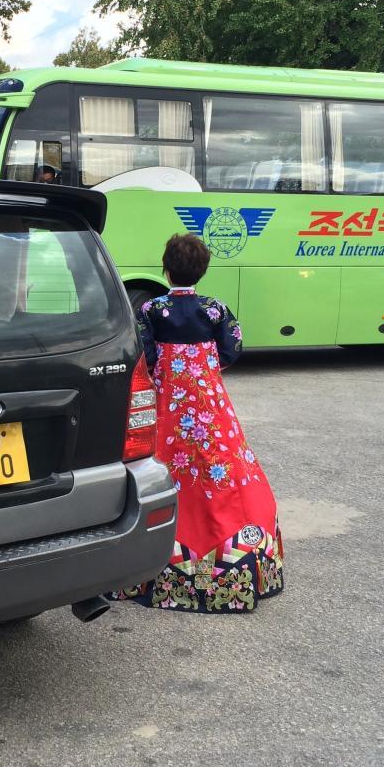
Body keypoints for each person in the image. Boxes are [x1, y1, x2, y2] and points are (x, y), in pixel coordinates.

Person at [113, 233, 284, 612]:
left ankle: (153, 558)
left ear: (166, 268)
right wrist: (205, 369)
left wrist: (168, 374)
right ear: (203, 270)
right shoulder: (215, 309)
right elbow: (233, 347)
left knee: (160, 464)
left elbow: (145, 353)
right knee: (223, 466)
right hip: (210, 404)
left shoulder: (152, 310)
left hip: (167, 407)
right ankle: (232, 557)